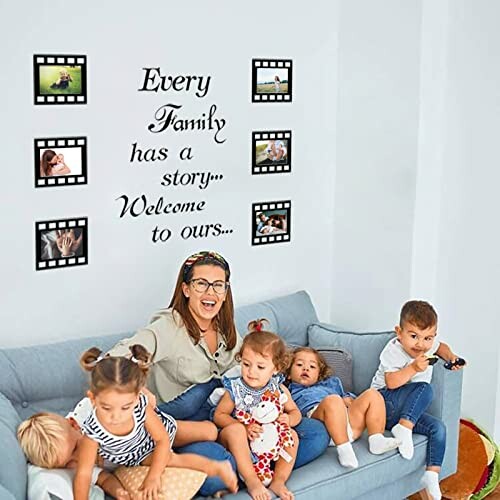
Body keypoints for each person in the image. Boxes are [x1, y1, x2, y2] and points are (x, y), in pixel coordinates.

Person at [105, 251, 330, 496]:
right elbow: (114, 360)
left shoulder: (226, 326)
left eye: (218, 285)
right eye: (201, 283)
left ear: (225, 292)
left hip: (233, 413)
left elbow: (255, 367)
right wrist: (138, 389)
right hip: (188, 423)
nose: (210, 293)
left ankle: (255, 466)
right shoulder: (168, 327)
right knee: (218, 471)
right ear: (186, 289)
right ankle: (252, 467)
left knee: (316, 433)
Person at [74, 344, 238, 500]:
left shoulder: (141, 408)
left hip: (162, 434)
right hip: (140, 456)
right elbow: (83, 474)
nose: (116, 416)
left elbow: (162, 439)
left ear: (137, 398)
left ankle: (213, 421)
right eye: (106, 408)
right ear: (93, 399)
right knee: (172, 460)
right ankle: (218, 466)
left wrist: (153, 476)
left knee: (209, 432)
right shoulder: (91, 433)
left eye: (125, 407)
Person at [371, 300, 466, 500]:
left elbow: (442, 348)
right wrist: (413, 368)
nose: (420, 344)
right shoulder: (393, 350)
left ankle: (431, 475)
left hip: (405, 411)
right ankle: (403, 428)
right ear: (399, 332)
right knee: (424, 388)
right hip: (383, 404)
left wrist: (451, 357)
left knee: (438, 428)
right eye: (413, 336)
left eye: (427, 338)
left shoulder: (428, 347)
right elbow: (391, 383)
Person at [214, 319, 300, 500]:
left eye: (260, 367)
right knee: (235, 430)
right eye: (246, 364)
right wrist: (243, 427)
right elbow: (219, 415)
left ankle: (279, 480)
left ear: (275, 369)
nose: (251, 371)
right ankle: (252, 480)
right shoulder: (235, 389)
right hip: (238, 442)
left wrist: (289, 420)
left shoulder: (278, 389)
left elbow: (295, 412)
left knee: (292, 435)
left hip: (268, 443)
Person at [287, 347, 400, 469]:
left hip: (348, 423)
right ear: (288, 374)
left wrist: (348, 399)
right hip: (321, 424)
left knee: (373, 394)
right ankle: (344, 449)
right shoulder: (288, 390)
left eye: (312, 367)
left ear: (319, 374)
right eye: (299, 364)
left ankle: (377, 439)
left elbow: (346, 397)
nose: (306, 368)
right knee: (333, 400)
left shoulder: (331, 383)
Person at [17, 405, 129, 499]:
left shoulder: (92, 412)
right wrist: (118, 492)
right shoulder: (74, 468)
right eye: (67, 463)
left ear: (74, 424)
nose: (78, 458)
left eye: (75, 448)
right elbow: (104, 479)